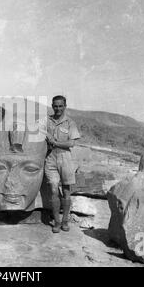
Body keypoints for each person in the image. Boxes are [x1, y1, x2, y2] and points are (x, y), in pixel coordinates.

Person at [44, 95, 81, 233]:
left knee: (66, 191)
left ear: (65, 106)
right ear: (52, 106)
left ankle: (65, 220)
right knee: (53, 189)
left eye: (60, 106)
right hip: (50, 158)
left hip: (65, 157)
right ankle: (57, 222)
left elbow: (72, 143)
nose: (58, 108)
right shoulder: (47, 120)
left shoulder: (70, 122)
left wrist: (55, 142)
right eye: (55, 106)